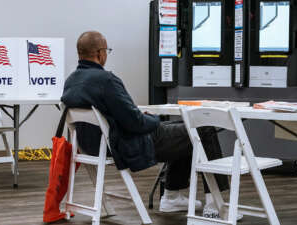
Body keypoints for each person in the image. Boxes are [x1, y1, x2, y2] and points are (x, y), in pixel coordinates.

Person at [61, 31, 231, 218]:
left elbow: (125, 116)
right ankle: (215, 204)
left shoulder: (71, 81)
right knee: (203, 128)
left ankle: (172, 196)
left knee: (185, 128)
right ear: (100, 53)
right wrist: (154, 119)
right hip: (127, 144)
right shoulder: (106, 80)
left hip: (94, 147)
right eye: (107, 50)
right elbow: (136, 122)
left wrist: (141, 117)